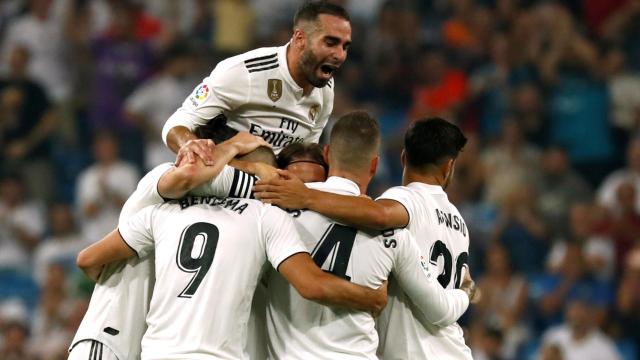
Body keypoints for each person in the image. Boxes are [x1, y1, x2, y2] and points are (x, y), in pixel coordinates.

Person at [74, 186, 386, 360]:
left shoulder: (162, 211)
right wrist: (370, 297)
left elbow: (88, 260)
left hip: (159, 353)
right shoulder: (264, 216)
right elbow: (312, 285)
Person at [254, 117, 474, 359]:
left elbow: (380, 214)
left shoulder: (276, 211)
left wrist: (306, 196)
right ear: (374, 165)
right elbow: (441, 307)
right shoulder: (453, 224)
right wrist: (467, 292)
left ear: (326, 154)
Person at [68, 132, 271, 360]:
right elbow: (189, 175)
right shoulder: (160, 181)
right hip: (111, 338)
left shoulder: (184, 211)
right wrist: (118, 289)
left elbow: (88, 262)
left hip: (145, 347)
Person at [162, 1, 352, 164]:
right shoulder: (246, 72)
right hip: (222, 186)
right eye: (330, 43)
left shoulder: (325, 90)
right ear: (300, 38)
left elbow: (305, 153)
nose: (340, 55)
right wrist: (189, 143)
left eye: (345, 46)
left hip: (274, 195)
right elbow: (176, 124)